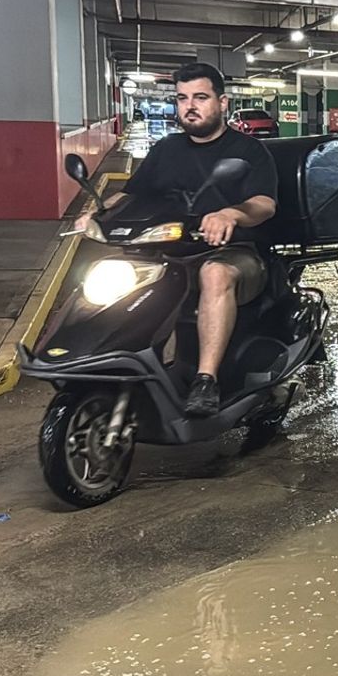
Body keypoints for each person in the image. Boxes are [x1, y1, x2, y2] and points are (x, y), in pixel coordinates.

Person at [77, 62, 278, 416]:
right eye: (182, 98)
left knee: (214, 274)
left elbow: (265, 203)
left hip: (233, 252)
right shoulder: (167, 149)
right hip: (169, 250)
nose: (190, 106)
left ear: (222, 102)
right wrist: (97, 211)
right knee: (116, 273)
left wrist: (230, 214)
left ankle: (205, 380)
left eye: (200, 97)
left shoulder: (249, 151)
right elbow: (131, 193)